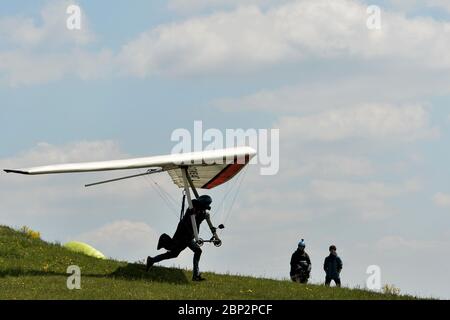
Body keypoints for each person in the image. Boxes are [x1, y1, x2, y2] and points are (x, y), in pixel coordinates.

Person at [146, 195, 212, 281]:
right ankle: (163, 241)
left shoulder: (202, 212)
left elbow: (199, 221)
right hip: (182, 236)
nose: (203, 209)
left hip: (189, 237)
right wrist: (194, 213)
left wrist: (210, 228)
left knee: (194, 251)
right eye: (202, 207)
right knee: (173, 251)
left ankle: (196, 275)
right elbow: (190, 219)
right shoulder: (192, 209)